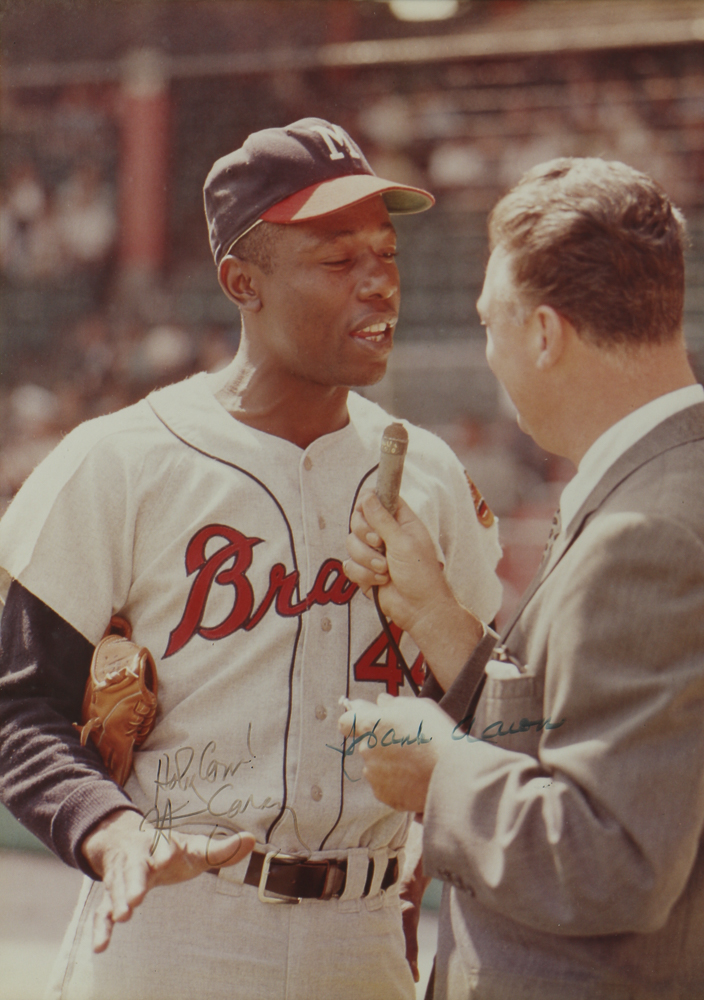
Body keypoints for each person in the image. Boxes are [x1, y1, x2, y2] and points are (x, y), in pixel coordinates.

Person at [0, 118, 503, 1000]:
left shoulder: (434, 478)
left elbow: (492, 714)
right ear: (243, 282)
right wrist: (109, 830)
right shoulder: (120, 460)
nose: (379, 282)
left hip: (367, 934)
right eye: (338, 260)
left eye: (386, 252)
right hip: (174, 924)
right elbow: (16, 711)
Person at [340, 157, 704, 1000]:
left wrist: (436, 771)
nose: (489, 351)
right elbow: (591, 732)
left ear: (544, 335)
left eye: (489, 322)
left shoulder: (654, 534)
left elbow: (614, 856)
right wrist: (442, 622)